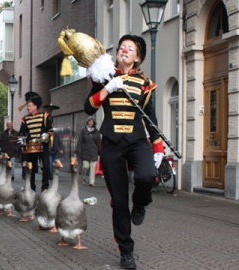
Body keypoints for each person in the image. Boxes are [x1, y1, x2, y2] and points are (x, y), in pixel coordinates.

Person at [84, 35, 164, 269]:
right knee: (119, 201)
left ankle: (140, 203)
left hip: (137, 140)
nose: (124, 50)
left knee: (147, 176)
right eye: (121, 48)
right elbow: (88, 106)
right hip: (111, 142)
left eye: (130, 48)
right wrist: (108, 88)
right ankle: (126, 251)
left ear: (137, 57)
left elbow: (150, 118)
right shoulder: (104, 76)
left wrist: (158, 145)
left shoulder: (146, 83)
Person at [19, 92, 53, 192]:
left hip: (43, 145)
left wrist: (45, 136)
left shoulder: (45, 116)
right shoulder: (25, 119)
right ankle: (32, 187)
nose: (27, 108)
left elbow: (50, 130)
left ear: (35, 106)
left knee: (46, 166)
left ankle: (45, 187)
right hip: (31, 146)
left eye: (29, 105)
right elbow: (22, 133)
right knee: (31, 167)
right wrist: (22, 139)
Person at [74, 117, 101, 186]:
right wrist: (77, 150)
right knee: (85, 167)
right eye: (89, 121)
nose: (90, 123)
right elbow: (80, 141)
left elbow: (99, 142)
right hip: (85, 152)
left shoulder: (96, 131)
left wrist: (100, 152)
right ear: (87, 122)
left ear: (94, 123)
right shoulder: (83, 131)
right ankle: (84, 178)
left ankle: (92, 182)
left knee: (93, 167)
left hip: (94, 152)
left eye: (91, 122)